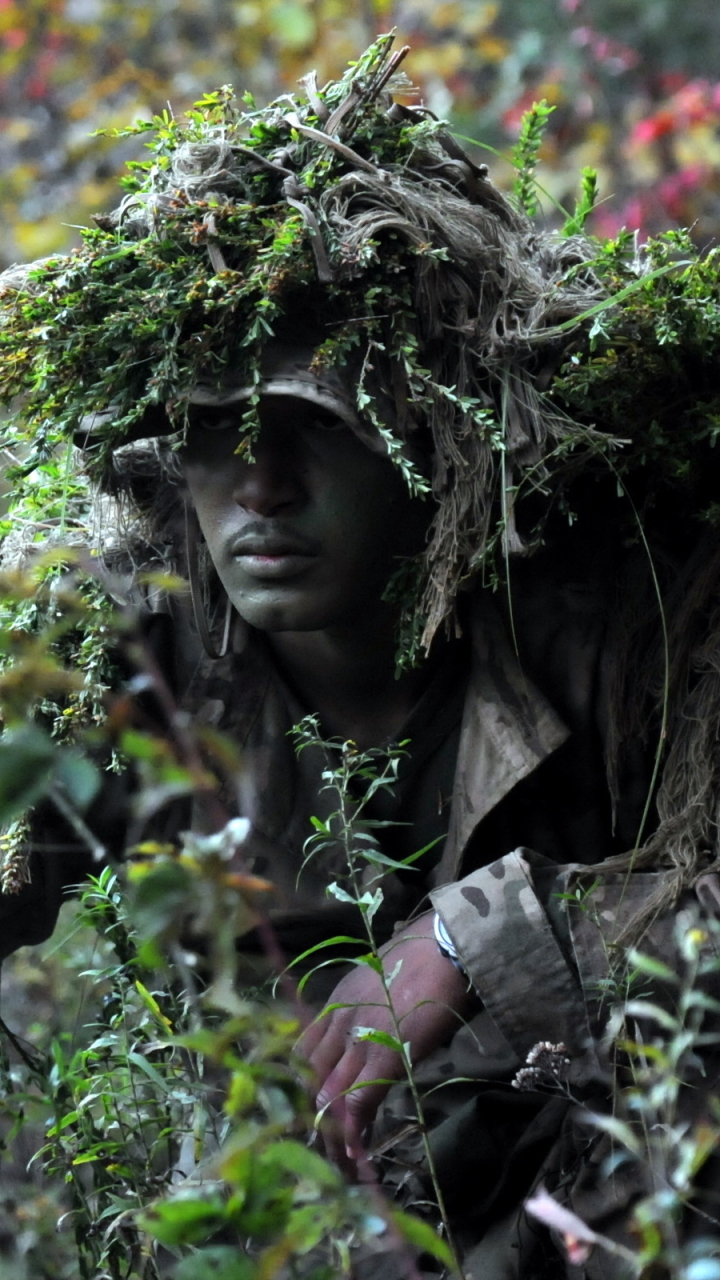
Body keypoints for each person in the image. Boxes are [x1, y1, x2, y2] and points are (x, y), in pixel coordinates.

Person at [2, 35, 720, 1278]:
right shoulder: (128, 642)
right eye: (215, 437)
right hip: (304, 1216)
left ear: (429, 440)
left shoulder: (631, 602)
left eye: (314, 430)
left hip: (636, 1186)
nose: (260, 490)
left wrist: (481, 939)